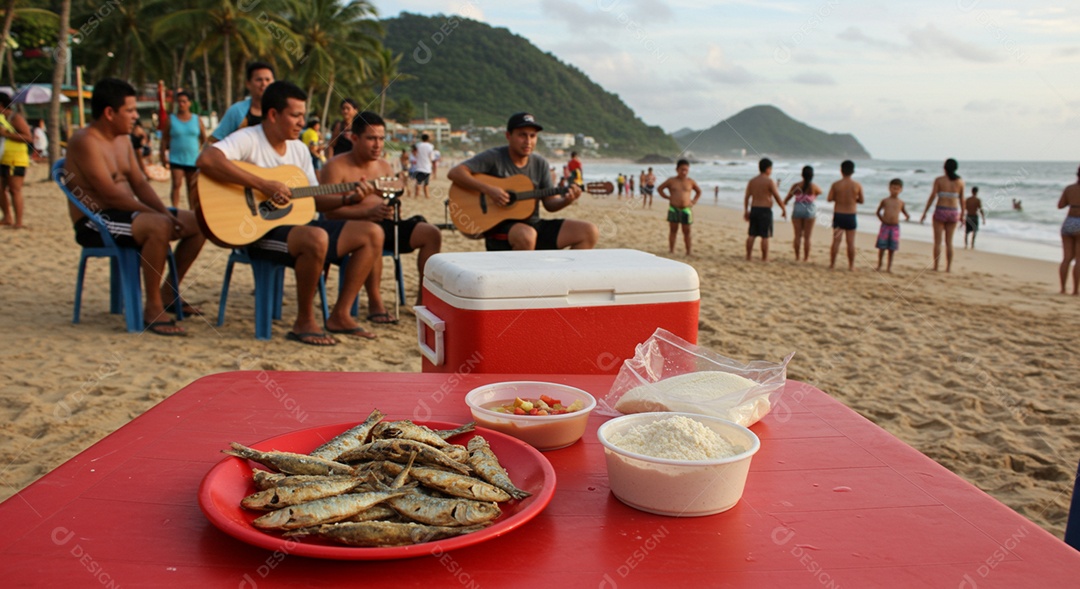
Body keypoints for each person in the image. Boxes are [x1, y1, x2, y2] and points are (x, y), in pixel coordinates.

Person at [196, 81, 384, 345]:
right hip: (255, 232)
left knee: (372, 233)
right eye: (295, 115)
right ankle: (304, 320)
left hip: (296, 228)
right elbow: (206, 159)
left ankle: (340, 314)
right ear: (273, 115)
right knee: (316, 237)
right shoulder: (249, 138)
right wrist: (262, 185)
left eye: (303, 116)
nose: (301, 122)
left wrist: (350, 197)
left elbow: (313, 199)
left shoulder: (298, 149)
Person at [63, 78, 206, 335]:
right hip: (95, 221)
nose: (134, 116)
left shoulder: (123, 139)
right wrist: (158, 217)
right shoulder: (85, 141)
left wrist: (163, 211)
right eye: (129, 110)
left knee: (199, 222)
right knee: (159, 226)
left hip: (128, 215)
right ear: (109, 113)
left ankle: (168, 292)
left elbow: (139, 184)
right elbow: (109, 195)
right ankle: (152, 308)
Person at [322, 111, 442, 318]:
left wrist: (393, 205)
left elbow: (393, 193)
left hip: (386, 223)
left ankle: (424, 300)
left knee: (431, 234)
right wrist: (366, 212)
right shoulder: (335, 166)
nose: (377, 145)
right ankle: (375, 301)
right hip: (352, 229)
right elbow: (328, 212)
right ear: (354, 138)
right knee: (373, 234)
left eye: (381, 138)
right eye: (371, 138)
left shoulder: (385, 166)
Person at [446, 112, 598, 251]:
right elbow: (455, 173)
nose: (528, 141)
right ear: (508, 136)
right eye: (522, 135)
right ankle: (521, 281)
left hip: (533, 224)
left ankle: (564, 280)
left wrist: (567, 200)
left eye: (532, 136)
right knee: (527, 235)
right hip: (500, 228)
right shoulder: (494, 157)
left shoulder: (540, 163)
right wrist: (489, 190)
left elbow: (550, 204)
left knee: (588, 232)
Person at [160, 91, 206, 209]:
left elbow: (204, 138)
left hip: (193, 159)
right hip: (176, 158)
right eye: (179, 102)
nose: (181, 104)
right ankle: (175, 208)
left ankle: (192, 210)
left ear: (189, 103)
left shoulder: (197, 119)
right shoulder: (171, 120)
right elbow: (164, 139)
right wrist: (162, 157)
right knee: (176, 184)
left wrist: (204, 153)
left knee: (191, 187)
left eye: (184, 102)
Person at [209, 62, 275, 142]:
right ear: (248, 84)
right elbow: (215, 140)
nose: (264, 84)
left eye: (268, 80)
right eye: (259, 80)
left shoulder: (282, 109)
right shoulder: (237, 111)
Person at [919, 158, 965, 272]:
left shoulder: (939, 180)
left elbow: (932, 196)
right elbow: (962, 200)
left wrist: (925, 212)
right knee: (949, 242)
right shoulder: (960, 182)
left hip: (941, 210)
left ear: (944, 168)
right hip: (953, 211)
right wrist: (963, 214)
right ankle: (948, 268)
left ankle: (936, 266)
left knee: (938, 242)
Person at [743, 157, 786, 261]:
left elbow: (747, 197)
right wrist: (783, 209)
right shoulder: (769, 181)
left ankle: (748, 256)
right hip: (765, 210)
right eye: (771, 169)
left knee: (752, 234)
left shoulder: (752, 181)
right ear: (767, 169)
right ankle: (764, 257)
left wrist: (746, 210)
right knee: (765, 236)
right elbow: (777, 196)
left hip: (754, 208)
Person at [0, 92, 32, 228]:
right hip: (3, 158)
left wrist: (6, 134)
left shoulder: (15, 118)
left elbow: (28, 137)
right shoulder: (2, 118)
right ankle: (7, 216)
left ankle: (18, 222)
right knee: (1, 189)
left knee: (15, 189)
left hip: (16, 159)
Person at [658, 159, 702, 256]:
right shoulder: (671, 181)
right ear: (677, 169)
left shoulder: (690, 182)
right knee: (673, 230)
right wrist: (667, 197)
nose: (684, 172)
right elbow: (660, 188)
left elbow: (699, 191)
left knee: (687, 231)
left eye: (686, 170)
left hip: (686, 209)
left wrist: (694, 201)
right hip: (674, 208)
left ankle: (688, 252)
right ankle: (671, 250)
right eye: (682, 169)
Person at [828, 160, 865, 271]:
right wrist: (853, 199)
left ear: (841, 170)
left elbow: (829, 198)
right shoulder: (857, 185)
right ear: (853, 171)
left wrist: (838, 198)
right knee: (850, 242)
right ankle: (851, 266)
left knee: (836, 241)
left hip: (839, 214)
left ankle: (832, 264)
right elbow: (862, 200)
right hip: (850, 215)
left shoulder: (836, 184)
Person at [782, 165, 823, 262]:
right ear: (812, 175)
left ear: (802, 175)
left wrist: (784, 206)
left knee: (797, 235)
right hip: (810, 209)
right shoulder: (813, 187)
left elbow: (787, 198)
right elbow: (820, 192)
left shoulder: (796, 186)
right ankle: (806, 258)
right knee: (807, 237)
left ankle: (797, 257)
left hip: (798, 208)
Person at [875, 178, 911, 273]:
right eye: (893, 188)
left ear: (901, 190)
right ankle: (879, 264)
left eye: (897, 188)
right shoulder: (885, 200)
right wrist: (882, 220)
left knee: (892, 248)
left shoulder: (901, 202)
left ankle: (889, 267)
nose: (895, 190)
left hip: (895, 227)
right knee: (882, 247)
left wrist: (907, 216)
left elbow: (904, 212)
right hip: (885, 226)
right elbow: (878, 212)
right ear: (889, 188)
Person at [1057, 165, 1080, 295]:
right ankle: (1076, 290)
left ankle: (1063, 288)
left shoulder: (1069, 188)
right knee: (1079, 260)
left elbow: (1060, 205)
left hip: (1069, 221)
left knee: (1066, 258)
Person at [414, 133, 435, 199]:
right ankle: (427, 195)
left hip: (419, 166)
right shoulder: (430, 146)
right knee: (426, 183)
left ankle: (417, 195)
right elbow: (431, 157)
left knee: (418, 182)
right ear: (428, 139)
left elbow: (415, 153)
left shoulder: (418, 145)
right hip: (427, 167)